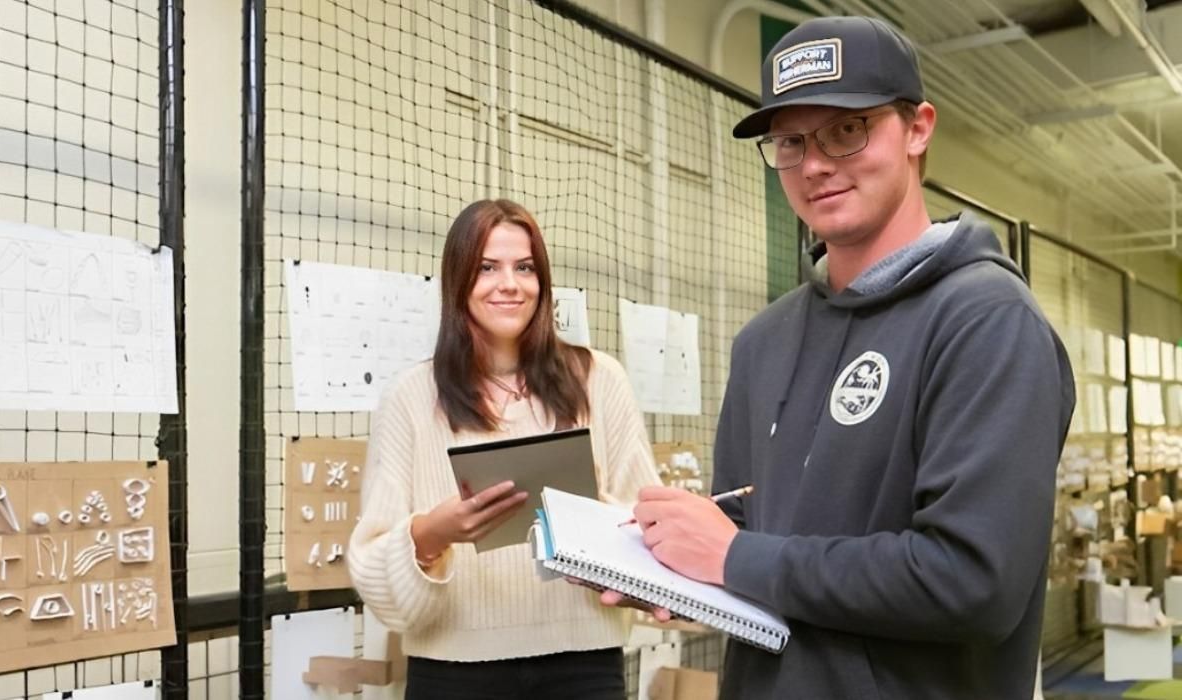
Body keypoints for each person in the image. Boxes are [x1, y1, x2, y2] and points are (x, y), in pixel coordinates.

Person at [613, 16, 1076, 700]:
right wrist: (662, 567)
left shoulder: (987, 321)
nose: (816, 164)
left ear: (918, 128)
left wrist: (736, 555)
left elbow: (974, 582)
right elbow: (749, 535)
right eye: (792, 141)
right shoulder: (762, 342)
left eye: (846, 130)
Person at [348, 199, 661, 700]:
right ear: (458, 281)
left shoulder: (599, 379)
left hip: (583, 665)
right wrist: (431, 534)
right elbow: (372, 567)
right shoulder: (410, 395)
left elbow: (645, 515)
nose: (510, 284)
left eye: (525, 267)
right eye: (487, 268)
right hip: (451, 670)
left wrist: (595, 530)